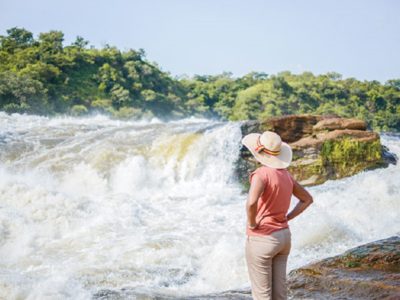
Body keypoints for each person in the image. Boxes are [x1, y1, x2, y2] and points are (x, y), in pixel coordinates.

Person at [241, 130, 313, 300]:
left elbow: (251, 203)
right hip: (284, 237)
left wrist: (251, 223)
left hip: (263, 238)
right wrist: (287, 217)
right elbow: (307, 199)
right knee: (280, 294)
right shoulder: (286, 175)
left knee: (262, 295)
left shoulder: (261, 174)